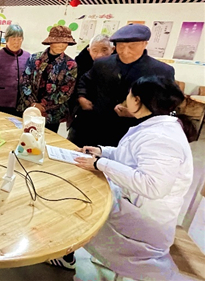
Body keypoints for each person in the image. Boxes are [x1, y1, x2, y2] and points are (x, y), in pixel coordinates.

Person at [54, 76, 195, 280]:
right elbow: (130, 156)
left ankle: (64, 251)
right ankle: (65, 250)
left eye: (129, 94)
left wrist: (100, 164)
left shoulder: (162, 138)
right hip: (134, 203)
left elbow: (153, 186)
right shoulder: (156, 126)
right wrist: (102, 152)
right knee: (80, 190)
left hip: (144, 222)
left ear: (137, 100)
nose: (126, 97)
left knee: (76, 201)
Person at [74, 23, 175, 147]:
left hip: (132, 130)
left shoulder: (161, 71)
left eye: (132, 46)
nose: (125, 51)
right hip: (97, 124)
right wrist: (82, 97)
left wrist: (138, 112)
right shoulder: (103, 63)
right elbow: (85, 80)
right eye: (121, 46)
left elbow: (166, 105)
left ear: (145, 44)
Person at [18, 26, 77, 132]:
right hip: (29, 110)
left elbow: (66, 91)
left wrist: (43, 106)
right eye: (59, 42)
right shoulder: (34, 58)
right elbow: (25, 81)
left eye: (65, 42)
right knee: (25, 136)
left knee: (47, 139)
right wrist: (33, 104)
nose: (62, 45)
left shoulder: (70, 64)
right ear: (51, 42)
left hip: (52, 115)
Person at [67, 34, 114, 144]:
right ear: (89, 50)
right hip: (84, 115)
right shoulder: (81, 63)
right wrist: (80, 97)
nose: (100, 55)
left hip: (108, 119)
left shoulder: (119, 65)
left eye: (104, 50)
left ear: (113, 49)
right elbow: (79, 83)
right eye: (95, 50)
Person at [0, 24, 30, 116]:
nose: (16, 42)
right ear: (7, 39)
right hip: (1, 101)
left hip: (20, 103)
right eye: (13, 39)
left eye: (19, 39)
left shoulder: (27, 56)